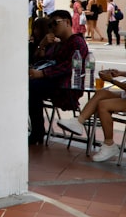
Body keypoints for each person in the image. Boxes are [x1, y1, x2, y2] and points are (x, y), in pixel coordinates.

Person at [57, 34, 126, 162]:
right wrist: (120, 73)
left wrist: (112, 80)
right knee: (101, 93)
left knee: (103, 105)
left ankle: (109, 144)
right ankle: (79, 121)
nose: (125, 41)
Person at [27, 9, 88, 146]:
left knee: (32, 88)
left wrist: (42, 74)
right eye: (50, 25)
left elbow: (69, 67)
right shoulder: (57, 44)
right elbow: (41, 60)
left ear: (67, 22)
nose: (52, 27)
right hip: (53, 83)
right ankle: (36, 131)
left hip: (66, 86)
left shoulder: (77, 42)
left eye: (55, 23)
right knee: (29, 87)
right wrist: (42, 45)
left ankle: (38, 131)